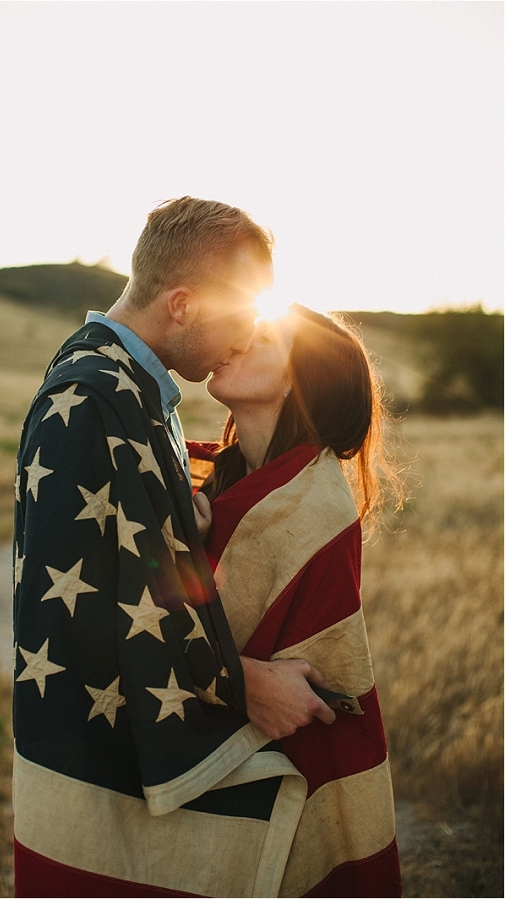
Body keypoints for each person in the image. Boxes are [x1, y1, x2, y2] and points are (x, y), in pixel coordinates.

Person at [12, 198, 336, 899]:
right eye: (239, 316)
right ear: (183, 305)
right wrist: (237, 680)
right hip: (96, 772)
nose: (246, 336)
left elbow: (140, 562)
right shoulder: (90, 399)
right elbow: (75, 607)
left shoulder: (134, 392)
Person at [188, 305, 403, 897]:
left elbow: (311, 685)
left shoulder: (316, 507)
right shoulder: (213, 482)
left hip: (278, 775)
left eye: (258, 338)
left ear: (298, 381)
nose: (232, 340)